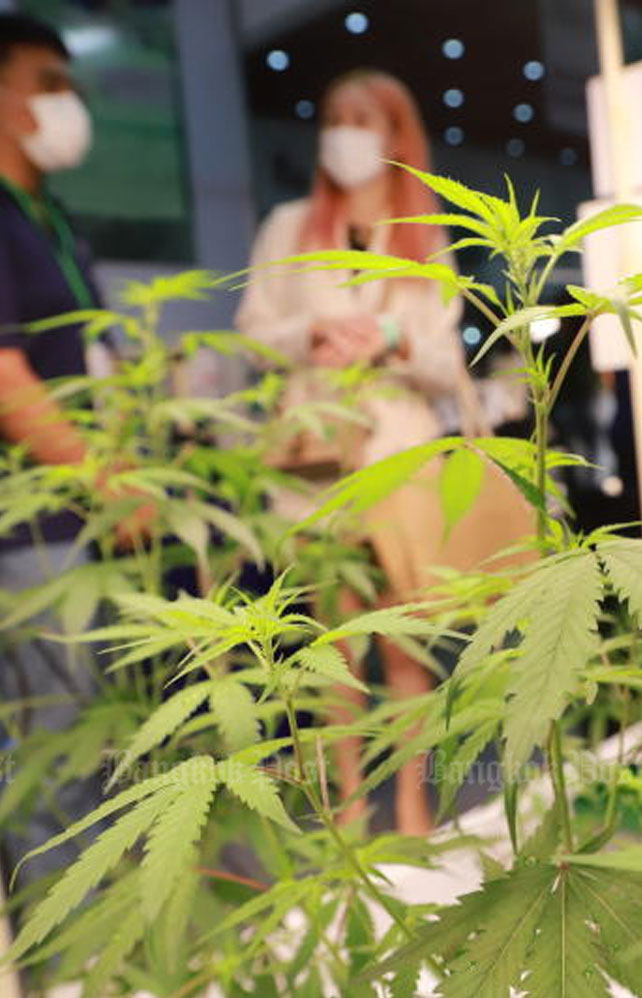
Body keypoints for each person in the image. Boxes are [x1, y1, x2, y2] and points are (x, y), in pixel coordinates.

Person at [0, 12, 139, 880]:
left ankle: (111, 939)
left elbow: (91, 357)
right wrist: (110, 480)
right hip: (24, 522)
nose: (70, 100)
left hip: (83, 512)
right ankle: (71, 956)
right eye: (51, 83)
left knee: (100, 727)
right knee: (52, 738)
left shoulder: (44, 216)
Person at [235, 69, 463, 836]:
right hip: (318, 463)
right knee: (335, 648)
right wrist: (312, 336)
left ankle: (411, 806)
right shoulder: (289, 224)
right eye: (333, 116)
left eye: (361, 118)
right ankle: (350, 805)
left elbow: (446, 360)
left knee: (406, 646)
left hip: (401, 458)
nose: (343, 132)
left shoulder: (426, 237)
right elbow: (253, 329)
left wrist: (393, 337)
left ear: (397, 134)